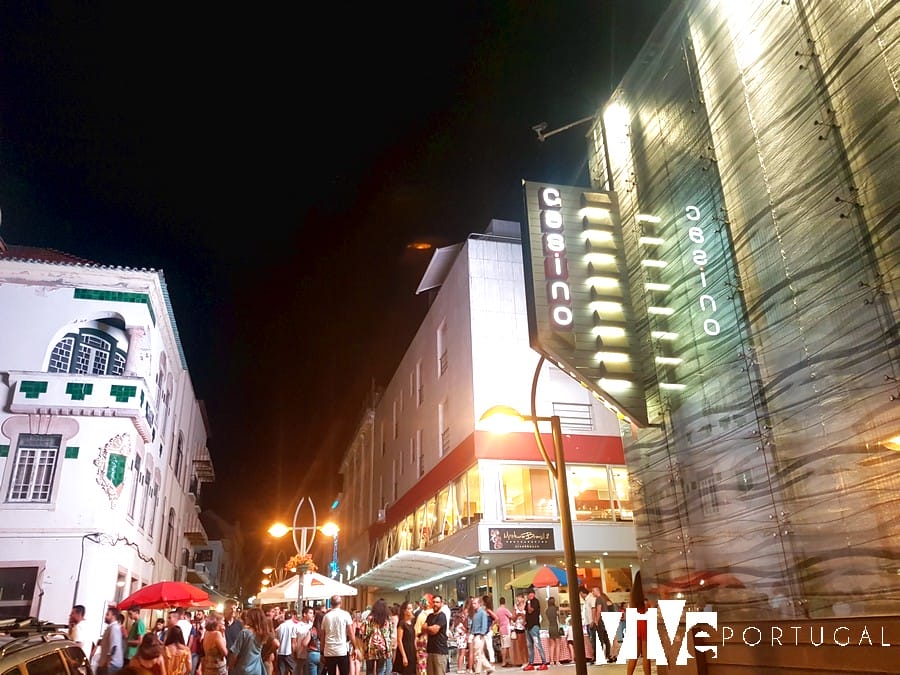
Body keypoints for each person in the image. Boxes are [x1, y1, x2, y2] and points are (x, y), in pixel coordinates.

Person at [229, 606, 273, 675]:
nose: (246, 618)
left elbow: (235, 653)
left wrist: (230, 667)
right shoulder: (263, 633)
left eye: (247, 617)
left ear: (252, 618)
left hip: (243, 669)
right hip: (257, 669)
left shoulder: (244, 633)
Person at [321, 594, 354, 675]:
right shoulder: (345, 614)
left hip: (329, 650)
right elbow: (351, 632)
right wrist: (355, 647)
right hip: (342, 650)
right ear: (341, 603)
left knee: (331, 673)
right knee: (344, 672)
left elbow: (323, 636)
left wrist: (322, 652)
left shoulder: (326, 617)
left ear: (331, 604)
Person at [363, 598, 392, 675]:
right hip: (382, 647)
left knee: (369, 670)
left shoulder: (369, 619)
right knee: (380, 670)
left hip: (370, 647)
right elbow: (390, 633)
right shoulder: (387, 620)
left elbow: (365, 633)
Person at [522, 589, 547, 671]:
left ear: (533, 594)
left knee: (538, 644)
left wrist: (529, 602)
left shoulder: (536, 601)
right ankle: (531, 663)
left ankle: (544, 662)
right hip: (528, 626)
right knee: (530, 646)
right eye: (528, 594)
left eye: (530, 594)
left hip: (534, 626)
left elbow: (530, 610)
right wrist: (524, 621)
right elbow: (526, 612)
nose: (529, 596)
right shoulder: (527, 603)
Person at [423, 595, 448, 675]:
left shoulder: (442, 616)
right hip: (430, 650)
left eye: (437, 602)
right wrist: (429, 629)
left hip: (440, 651)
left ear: (441, 604)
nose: (435, 604)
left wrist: (428, 628)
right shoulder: (430, 616)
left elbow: (434, 630)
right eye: (433, 602)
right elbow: (422, 628)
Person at [469, 596, 494, 675]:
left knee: (477, 654)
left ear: (479, 604)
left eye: (475, 603)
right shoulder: (475, 613)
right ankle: (489, 668)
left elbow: (484, 624)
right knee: (480, 654)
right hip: (475, 634)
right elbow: (473, 625)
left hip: (479, 635)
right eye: (472, 603)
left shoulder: (482, 612)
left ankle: (478, 671)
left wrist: (482, 633)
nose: (473, 605)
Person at [625, 599, 650, 675]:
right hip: (645, 624)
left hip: (636, 625)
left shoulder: (633, 601)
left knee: (634, 655)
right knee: (646, 655)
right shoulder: (647, 601)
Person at [589, 587, 612, 664]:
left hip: (601, 621)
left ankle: (599, 657)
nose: (592, 593)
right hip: (605, 620)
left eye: (593, 591)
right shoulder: (603, 599)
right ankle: (608, 655)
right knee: (605, 639)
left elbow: (599, 610)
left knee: (599, 639)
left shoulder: (598, 599)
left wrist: (596, 621)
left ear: (597, 591)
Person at [394, 601, 417, 675]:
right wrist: (404, 656)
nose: (411, 610)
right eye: (409, 608)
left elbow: (414, 638)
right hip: (404, 650)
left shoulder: (412, 622)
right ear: (404, 611)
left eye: (411, 608)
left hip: (412, 651)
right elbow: (399, 640)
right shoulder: (402, 623)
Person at [413, 595, 433, 675]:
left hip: (423, 642)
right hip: (434, 642)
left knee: (422, 665)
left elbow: (417, 631)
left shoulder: (422, 615)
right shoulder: (436, 613)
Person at [275, 609, 298, 675]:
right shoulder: (294, 626)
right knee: (293, 669)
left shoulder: (280, 627)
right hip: (289, 652)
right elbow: (293, 642)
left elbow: (276, 638)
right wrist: (294, 652)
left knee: (281, 671)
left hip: (280, 652)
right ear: (293, 617)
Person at [494, 598, 512, 668]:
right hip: (506, 629)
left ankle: (504, 661)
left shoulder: (497, 610)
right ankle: (504, 661)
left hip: (501, 629)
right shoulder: (505, 610)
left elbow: (497, 619)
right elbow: (511, 616)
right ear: (505, 602)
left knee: (503, 646)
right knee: (506, 646)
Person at [306, 610, 324, 675]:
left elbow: (305, 643)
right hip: (322, 654)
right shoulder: (324, 631)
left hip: (312, 653)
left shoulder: (312, 630)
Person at [544, 597, 561, 666]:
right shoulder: (556, 608)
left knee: (552, 645)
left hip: (550, 627)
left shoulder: (546, 610)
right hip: (555, 626)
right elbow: (558, 618)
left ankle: (551, 661)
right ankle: (557, 661)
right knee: (557, 644)